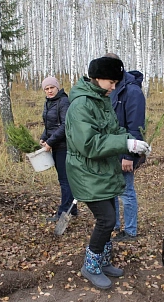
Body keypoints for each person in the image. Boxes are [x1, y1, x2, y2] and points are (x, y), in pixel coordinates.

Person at [65, 56, 150, 290]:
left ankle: (103, 261)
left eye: (115, 82)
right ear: (97, 77)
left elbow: (113, 129)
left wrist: (133, 140)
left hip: (102, 170)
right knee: (107, 219)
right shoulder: (82, 104)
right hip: (87, 172)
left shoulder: (101, 99)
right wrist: (125, 144)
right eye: (111, 82)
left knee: (109, 216)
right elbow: (89, 144)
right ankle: (90, 266)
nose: (114, 87)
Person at [103, 53, 146, 242]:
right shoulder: (109, 88)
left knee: (126, 191)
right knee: (110, 189)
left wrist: (129, 155)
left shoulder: (132, 91)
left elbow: (135, 126)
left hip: (125, 151)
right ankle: (113, 224)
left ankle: (130, 231)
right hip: (109, 150)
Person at [39, 76, 78, 221]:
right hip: (55, 145)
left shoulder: (63, 101)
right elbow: (49, 125)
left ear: (57, 87)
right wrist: (44, 137)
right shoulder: (49, 102)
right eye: (46, 89)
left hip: (64, 146)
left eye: (51, 88)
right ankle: (72, 209)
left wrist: (50, 142)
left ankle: (64, 212)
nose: (49, 91)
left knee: (65, 180)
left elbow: (64, 126)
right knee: (65, 179)